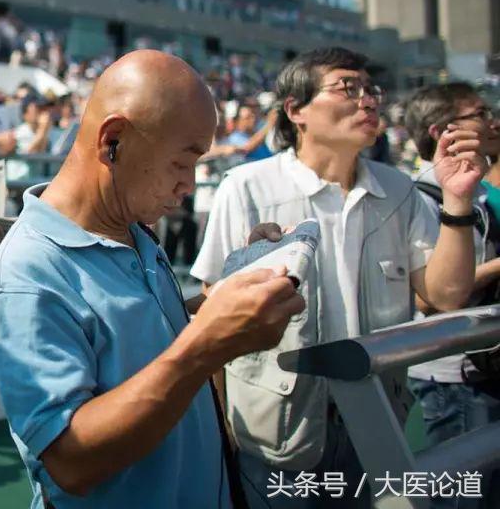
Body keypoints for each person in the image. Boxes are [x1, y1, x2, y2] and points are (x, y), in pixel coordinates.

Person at [0, 50, 305, 509]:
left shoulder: (132, 230)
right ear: (113, 140)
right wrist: (207, 346)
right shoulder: (25, 275)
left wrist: (232, 290)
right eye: (182, 163)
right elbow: (70, 462)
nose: (189, 184)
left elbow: (143, 337)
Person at [191, 47, 482, 509]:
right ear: (296, 110)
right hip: (277, 431)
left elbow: (445, 294)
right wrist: (221, 429)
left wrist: (458, 201)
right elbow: (213, 313)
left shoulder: (398, 188)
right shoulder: (247, 187)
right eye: (348, 87)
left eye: (372, 90)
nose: (368, 100)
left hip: (376, 419)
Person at [403, 83, 500, 508]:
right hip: (452, 374)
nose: (491, 121)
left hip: (483, 366)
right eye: (478, 114)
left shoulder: (479, 192)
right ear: (441, 131)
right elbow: (428, 297)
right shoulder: (419, 197)